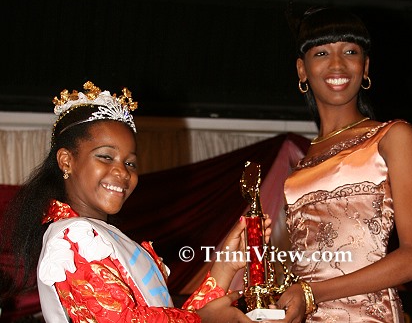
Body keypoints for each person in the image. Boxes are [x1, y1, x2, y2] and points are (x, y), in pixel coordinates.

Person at [2, 81, 269, 322]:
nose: (123, 171)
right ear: (66, 161)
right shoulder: (72, 237)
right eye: (106, 157)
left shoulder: (104, 238)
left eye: (130, 162)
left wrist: (223, 267)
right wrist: (205, 320)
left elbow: (167, 316)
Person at [273, 7, 412, 322]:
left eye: (350, 51)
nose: (337, 64)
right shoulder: (301, 166)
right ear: (301, 70)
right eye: (321, 53)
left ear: (365, 65)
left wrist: (312, 293)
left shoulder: (390, 137)